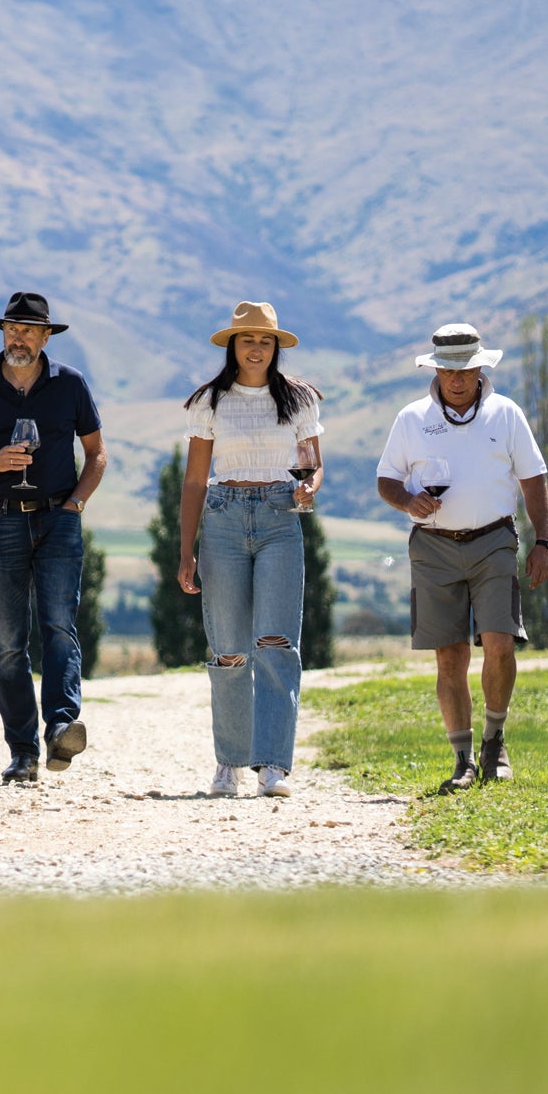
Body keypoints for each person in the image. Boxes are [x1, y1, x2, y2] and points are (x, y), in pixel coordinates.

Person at [374, 321, 548, 793]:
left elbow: (533, 479)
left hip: (494, 540)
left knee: (499, 643)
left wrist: (543, 542)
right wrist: (407, 501)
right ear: (434, 370)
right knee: (449, 658)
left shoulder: (506, 414)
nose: (456, 379)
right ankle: (463, 759)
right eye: (448, 369)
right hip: (432, 547)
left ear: (480, 368)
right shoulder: (411, 419)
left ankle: (495, 742)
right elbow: (387, 480)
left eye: (465, 369)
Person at [0, 290, 108, 784]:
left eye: (28, 330)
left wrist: (75, 504)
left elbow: (97, 453)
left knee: (59, 626)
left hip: (58, 517)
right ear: (3, 333)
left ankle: (60, 726)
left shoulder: (70, 385)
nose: (18, 337)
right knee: (10, 641)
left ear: (45, 336)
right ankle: (23, 751)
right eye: (11, 329)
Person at [175, 301, 323, 798]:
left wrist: (309, 489)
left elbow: (313, 466)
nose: (256, 348)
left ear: (275, 347)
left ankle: (274, 764)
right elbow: (196, 480)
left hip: (281, 517)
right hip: (222, 518)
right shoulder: (210, 401)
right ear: (232, 347)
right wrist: (186, 550)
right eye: (247, 340)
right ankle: (230, 761)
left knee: (276, 642)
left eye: (265, 340)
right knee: (230, 648)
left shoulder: (299, 399)